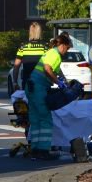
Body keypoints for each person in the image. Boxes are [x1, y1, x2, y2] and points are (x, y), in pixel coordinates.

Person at [27, 32, 72, 160]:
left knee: (35, 120)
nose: (67, 51)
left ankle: (35, 149)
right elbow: (47, 69)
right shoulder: (56, 54)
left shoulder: (50, 52)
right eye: (67, 48)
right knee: (46, 120)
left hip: (31, 86)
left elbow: (51, 70)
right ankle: (43, 150)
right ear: (63, 45)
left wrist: (59, 80)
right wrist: (58, 83)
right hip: (38, 88)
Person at [11, 22, 47, 96]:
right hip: (41, 80)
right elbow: (49, 64)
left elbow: (16, 66)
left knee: (28, 103)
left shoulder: (23, 46)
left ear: (30, 32)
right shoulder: (44, 46)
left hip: (27, 80)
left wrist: (15, 82)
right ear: (40, 32)